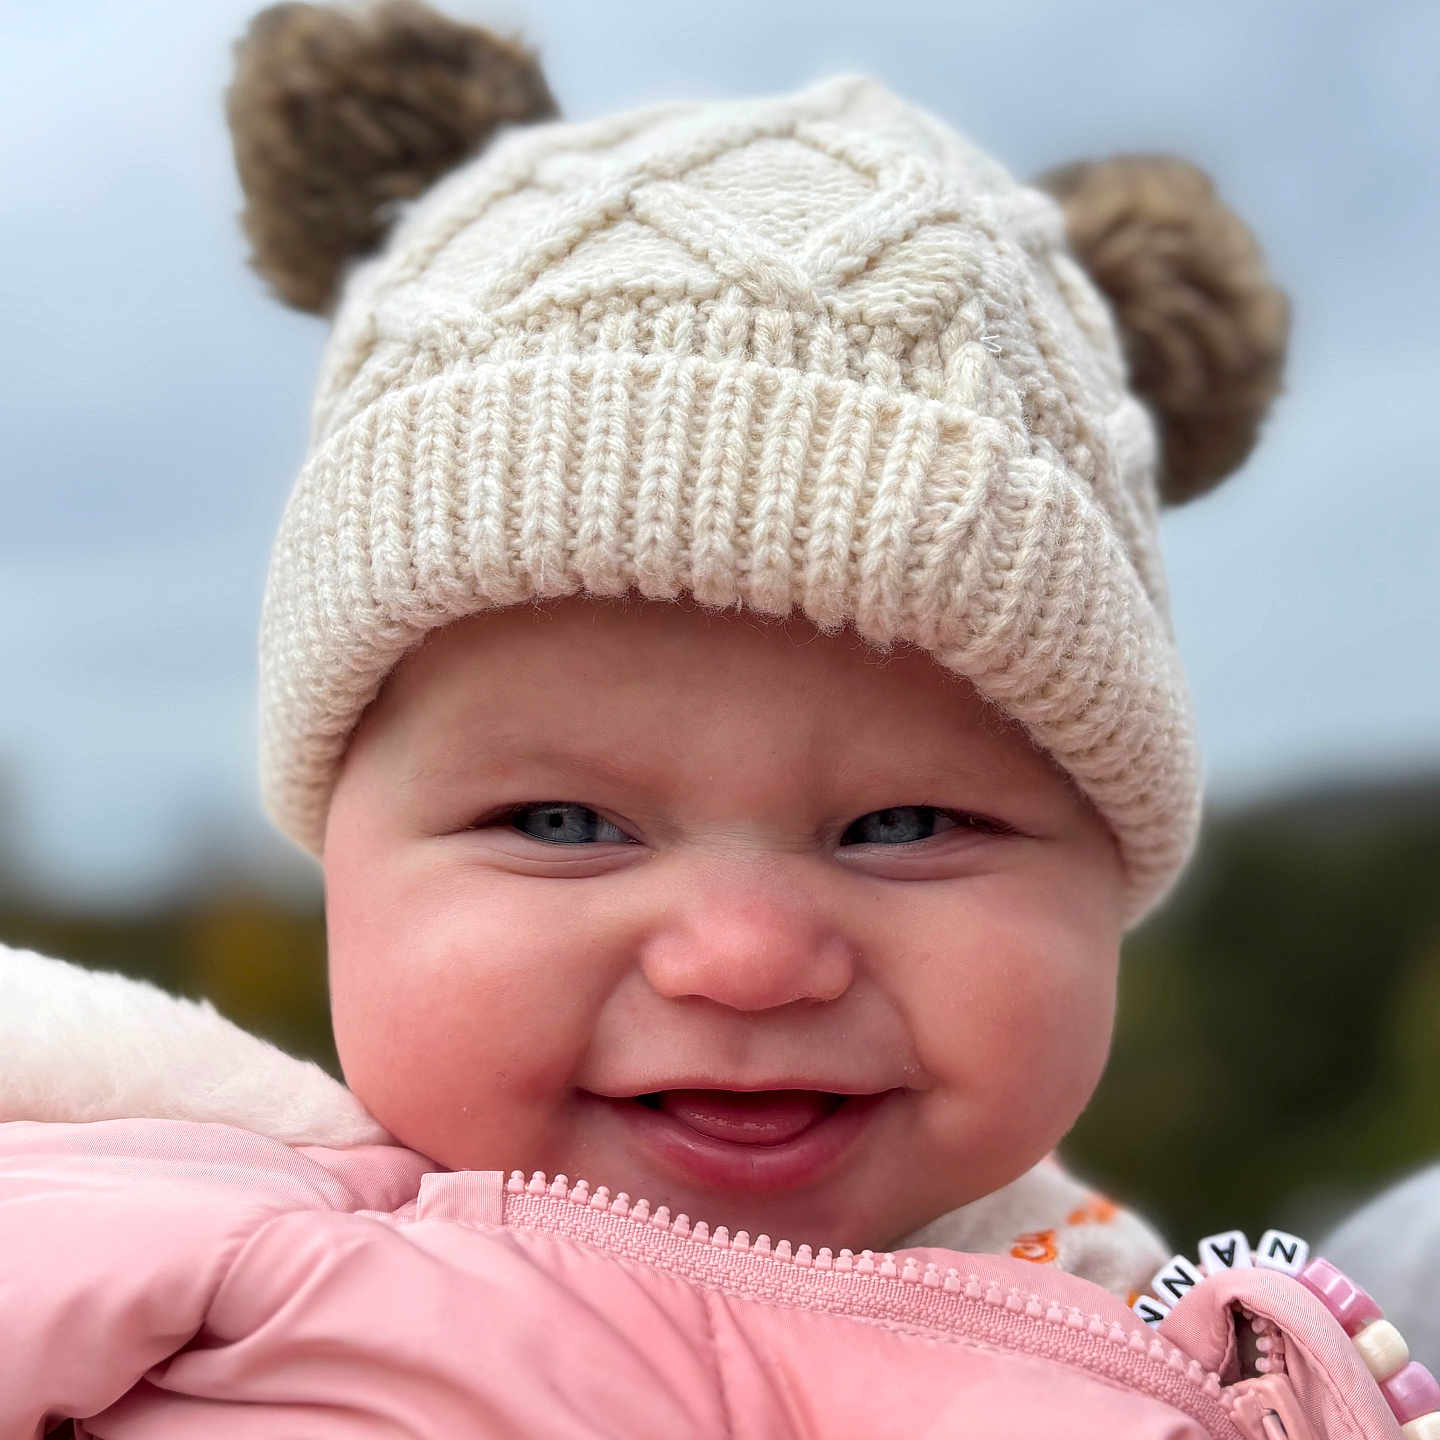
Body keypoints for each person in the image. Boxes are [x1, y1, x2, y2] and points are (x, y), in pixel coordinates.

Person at [1, 1, 1334, 1433]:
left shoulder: (1185, 1339)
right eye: (563, 824)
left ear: (1109, 864)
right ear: (337, 841)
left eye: (905, 826)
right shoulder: (148, 1226)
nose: (748, 963)